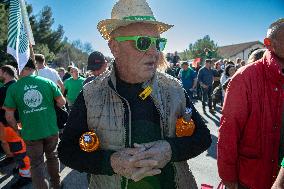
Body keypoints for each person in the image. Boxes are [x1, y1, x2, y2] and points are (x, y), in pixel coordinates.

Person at [58, 0, 211, 188]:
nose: (154, 52)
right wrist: (111, 162)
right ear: (114, 47)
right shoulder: (91, 94)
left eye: (158, 42)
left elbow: (203, 137)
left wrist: (171, 150)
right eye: (143, 42)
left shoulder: (174, 88)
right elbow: (66, 150)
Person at [217, 18, 284, 189]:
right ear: (268, 43)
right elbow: (228, 131)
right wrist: (229, 179)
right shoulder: (244, 78)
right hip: (252, 180)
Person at [4, 58, 66, 189]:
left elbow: (9, 116)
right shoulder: (48, 82)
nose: (16, 72)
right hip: (50, 129)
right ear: (33, 68)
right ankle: (57, 185)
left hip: (30, 132)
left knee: (36, 164)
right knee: (52, 157)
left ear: (23, 69)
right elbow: (62, 102)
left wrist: (16, 129)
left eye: (17, 69)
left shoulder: (14, 88)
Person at [0, 65, 32, 188]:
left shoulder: (8, 88)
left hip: (13, 124)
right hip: (15, 123)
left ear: (5, 73)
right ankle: (23, 170)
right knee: (19, 150)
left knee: (20, 150)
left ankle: (26, 175)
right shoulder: (17, 85)